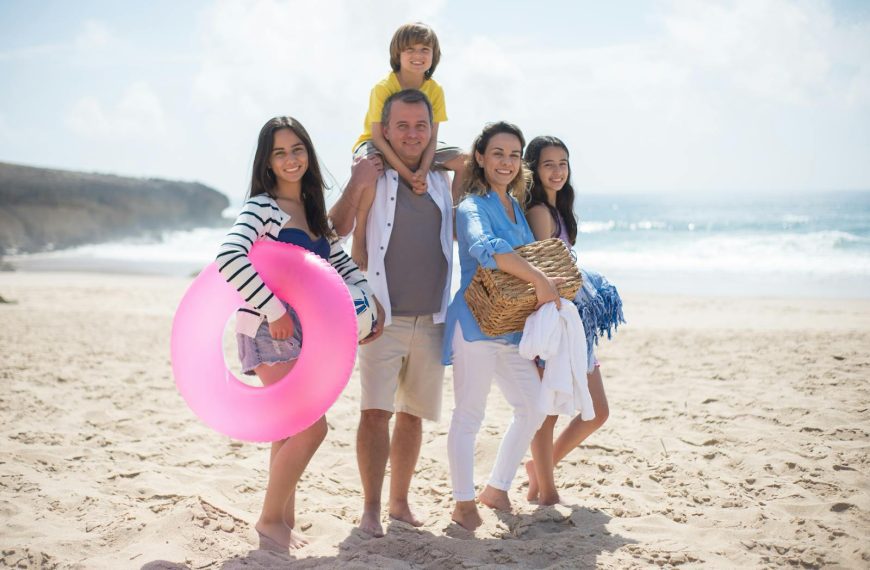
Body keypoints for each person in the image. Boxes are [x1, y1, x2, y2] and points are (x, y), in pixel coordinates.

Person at [216, 116, 372, 551]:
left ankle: (283, 520)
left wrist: (368, 308)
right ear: (267, 162)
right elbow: (229, 257)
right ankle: (269, 520)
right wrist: (273, 306)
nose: (290, 159)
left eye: (297, 149)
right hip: (269, 329)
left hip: (308, 334)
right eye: (280, 152)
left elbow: (340, 266)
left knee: (287, 429)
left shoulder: (313, 209)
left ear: (309, 154)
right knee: (311, 427)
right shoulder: (261, 208)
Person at [330, 89, 454, 537]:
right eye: (401, 125)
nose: (412, 134)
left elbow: (468, 161)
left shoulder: (440, 179)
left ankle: (400, 504)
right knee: (375, 412)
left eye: (421, 125)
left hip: (432, 317)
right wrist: (358, 176)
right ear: (383, 130)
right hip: (381, 316)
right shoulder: (375, 175)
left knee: (413, 414)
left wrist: (436, 160)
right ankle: (370, 508)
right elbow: (336, 230)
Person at [442, 122, 562, 531]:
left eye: (514, 155)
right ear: (480, 157)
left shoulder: (515, 206)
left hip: (510, 329)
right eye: (498, 153)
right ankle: (462, 503)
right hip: (475, 326)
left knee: (534, 406)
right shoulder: (473, 205)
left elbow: (530, 253)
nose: (506, 162)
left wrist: (548, 281)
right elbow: (486, 250)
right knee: (469, 415)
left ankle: (495, 488)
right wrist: (539, 280)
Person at [522, 135, 621, 505]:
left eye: (563, 163)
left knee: (598, 412)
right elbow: (540, 272)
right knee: (546, 414)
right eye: (549, 163)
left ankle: (539, 469)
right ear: (534, 168)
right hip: (554, 325)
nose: (557, 170)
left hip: (573, 327)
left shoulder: (558, 212)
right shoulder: (539, 214)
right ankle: (547, 491)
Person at [349, 21, 466, 271]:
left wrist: (423, 171)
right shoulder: (383, 88)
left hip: (418, 143)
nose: (418, 56)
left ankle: (454, 219)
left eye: (425, 50)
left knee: (464, 161)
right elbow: (379, 136)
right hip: (377, 141)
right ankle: (359, 238)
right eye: (410, 49)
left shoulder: (435, 90)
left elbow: (432, 138)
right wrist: (408, 174)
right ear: (397, 54)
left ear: (434, 56)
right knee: (368, 168)